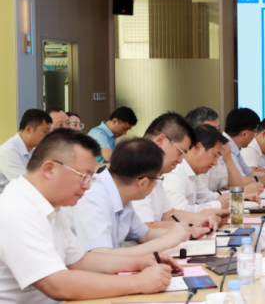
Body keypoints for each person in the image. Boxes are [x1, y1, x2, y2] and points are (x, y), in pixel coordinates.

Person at [0, 128, 180, 303]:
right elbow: (57, 285)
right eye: (83, 176)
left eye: (91, 177)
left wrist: (140, 262)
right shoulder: (17, 209)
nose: (87, 186)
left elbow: (80, 261)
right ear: (49, 169)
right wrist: (138, 282)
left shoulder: (50, 205)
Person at [69, 139, 211, 255]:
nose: (156, 184)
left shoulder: (122, 193)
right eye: (157, 179)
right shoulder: (94, 197)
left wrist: (189, 232)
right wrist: (166, 241)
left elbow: (144, 235)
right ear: (142, 183)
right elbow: (101, 257)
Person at [132, 113, 229, 228]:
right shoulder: (137, 171)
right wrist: (192, 225)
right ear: (160, 141)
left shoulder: (155, 173)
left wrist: (203, 218)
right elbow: (145, 229)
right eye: (180, 152)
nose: (180, 160)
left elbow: (169, 214)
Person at [164, 125, 260, 212]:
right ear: (198, 147)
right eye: (215, 156)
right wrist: (218, 204)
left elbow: (208, 197)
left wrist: (238, 196)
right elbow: (179, 211)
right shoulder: (175, 172)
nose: (215, 163)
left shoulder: (192, 172)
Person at [187, 107, 265, 193]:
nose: (218, 135)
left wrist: (229, 160)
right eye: (212, 130)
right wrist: (263, 181)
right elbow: (203, 199)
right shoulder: (185, 164)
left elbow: (234, 185)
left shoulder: (215, 159)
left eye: (218, 130)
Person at [0, 109, 52, 193]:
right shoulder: (9, 151)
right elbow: (25, 185)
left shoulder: (32, 150)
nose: (48, 136)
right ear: (29, 129)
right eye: (45, 132)